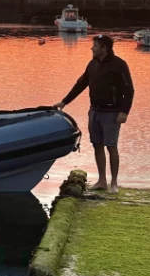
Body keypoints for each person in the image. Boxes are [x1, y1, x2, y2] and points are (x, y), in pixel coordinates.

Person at [53, 34, 134, 194]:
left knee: (111, 146)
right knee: (97, 145)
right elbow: (81, 84)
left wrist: (124, 112)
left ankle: (114, 183)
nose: (92, 48)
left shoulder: (119, 65)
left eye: (95, 46)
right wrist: (64, 102)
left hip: (112, 113)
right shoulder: (92, 64)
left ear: (104, 48)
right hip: (95, 111)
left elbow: (129, 90)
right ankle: (102, 181)